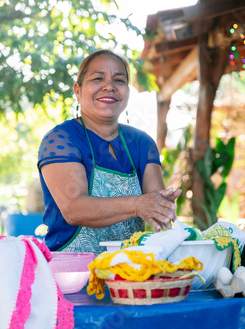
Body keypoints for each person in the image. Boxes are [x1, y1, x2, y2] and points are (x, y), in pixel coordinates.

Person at [37, 49, 181, 255]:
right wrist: (139, 204)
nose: (109, 87)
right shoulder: (61, 139)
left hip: (129, 271)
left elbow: (155, 207)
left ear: (128, 91)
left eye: (119, 80)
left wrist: (162, 206)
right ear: (78, 91)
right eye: (97, 78)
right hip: (72, 273)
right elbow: (74, 209)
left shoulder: (142, 143)